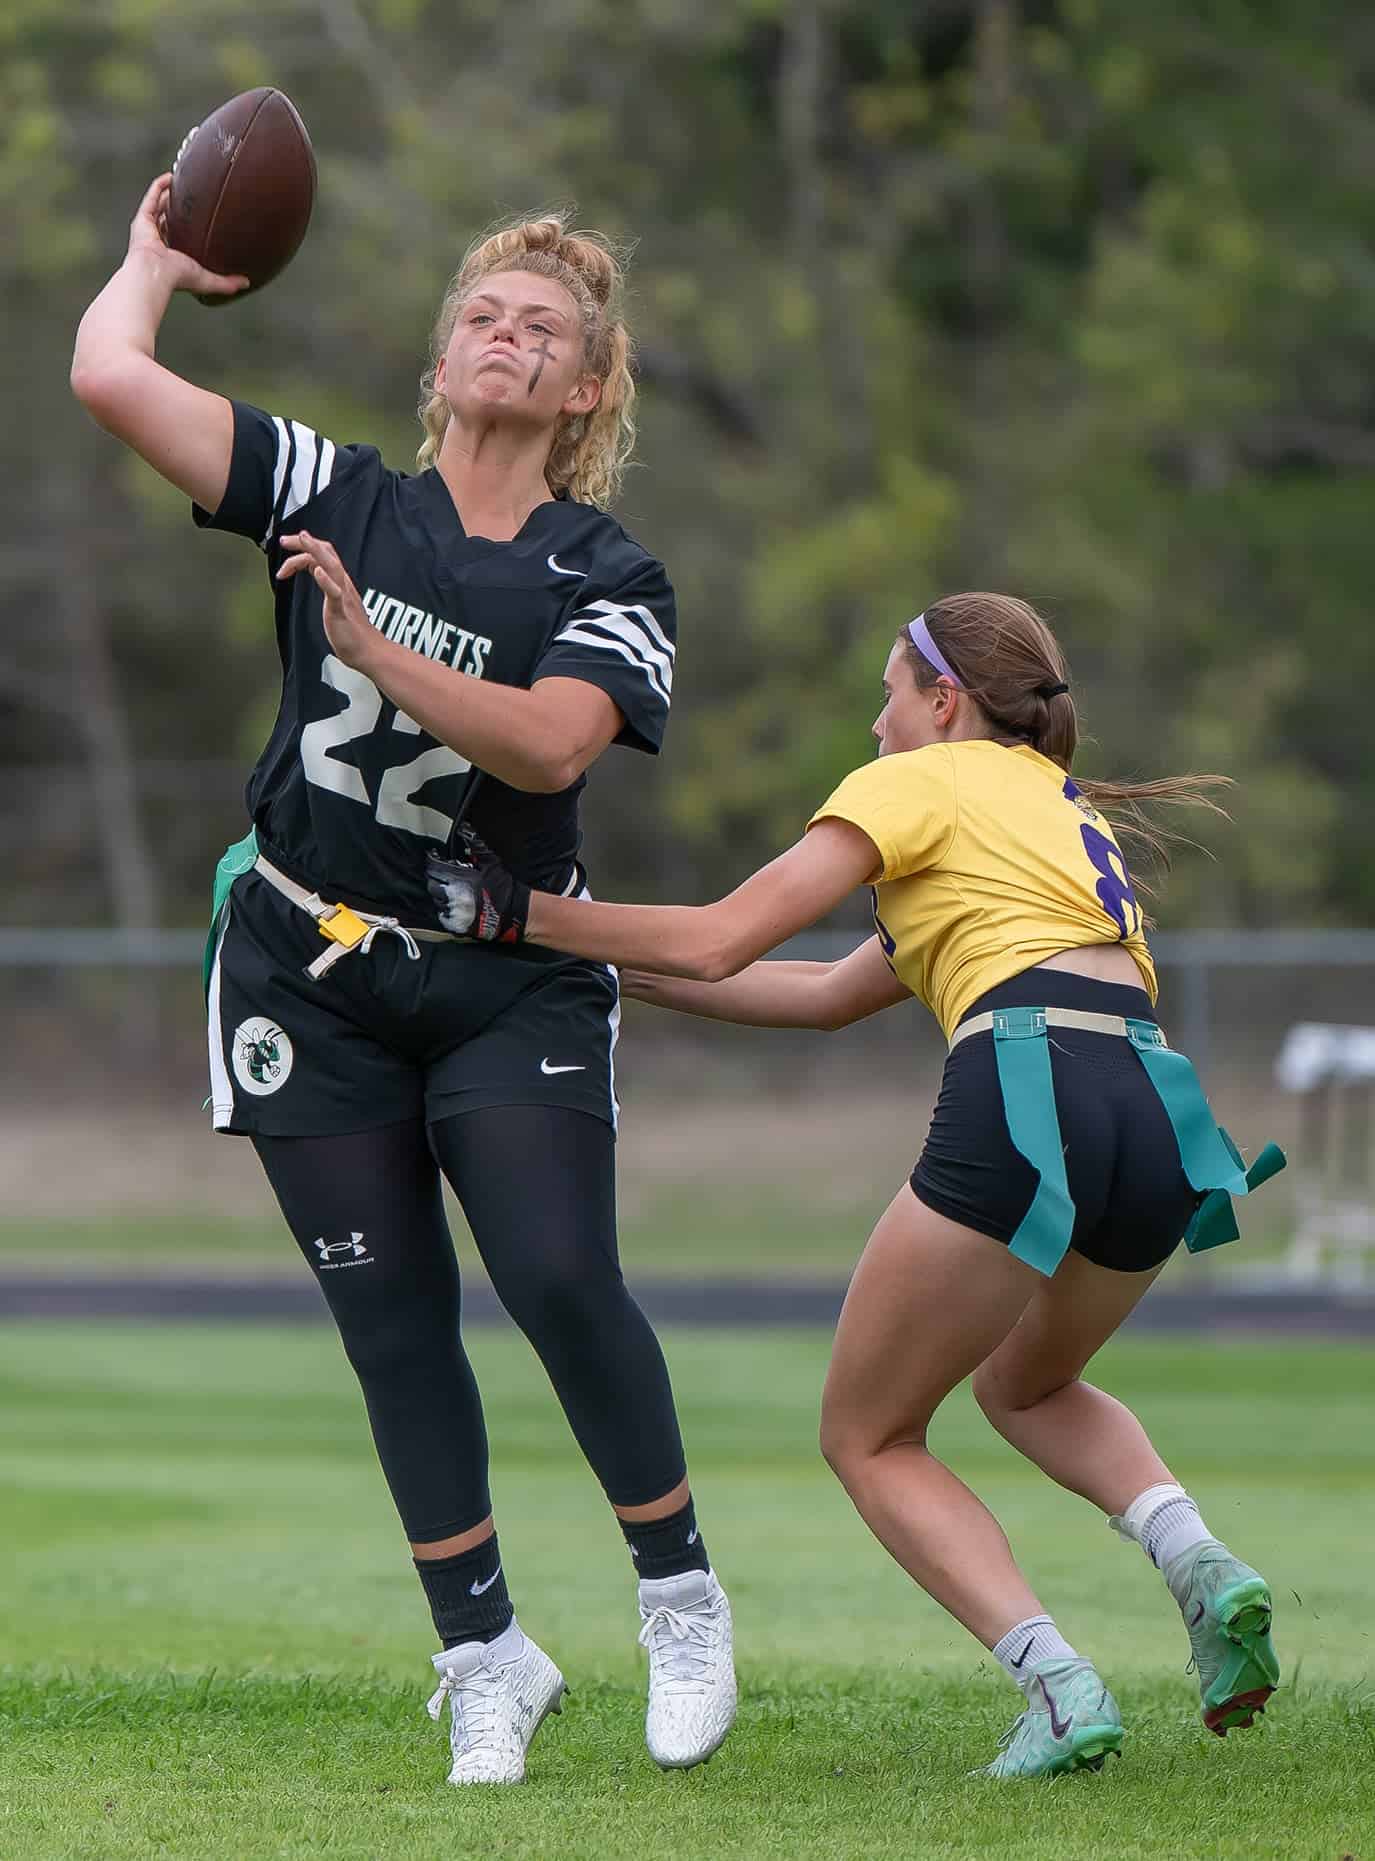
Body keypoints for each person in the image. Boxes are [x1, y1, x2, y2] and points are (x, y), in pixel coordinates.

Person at [70, 179, 736, 1785]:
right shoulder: (333, 487)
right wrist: (154, 262)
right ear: (442, 359)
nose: (504, 339)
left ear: (587, 389)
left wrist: (378, 656)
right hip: (307, 967)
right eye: (482, 318)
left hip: (504, 971)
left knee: (560, 1274)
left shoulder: (608, 573)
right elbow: (109, 376)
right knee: (391, 1323)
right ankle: (483, 1649)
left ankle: (678, 1595)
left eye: (544, 330)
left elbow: (554, 741)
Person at [426, 591, 1283, 1779]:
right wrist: (597, 963)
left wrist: (515, 916)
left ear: (944, 700)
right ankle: (1201, 1562)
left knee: (867, 1433)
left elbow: (724, 934)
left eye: (889, 694)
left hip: (1028, 1074)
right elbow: (819, 993)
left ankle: (1055, 1684)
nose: (876, 724)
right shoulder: (1053, 807)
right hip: (1153, 1094)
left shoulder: (917, 780)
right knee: (1028, 1387)